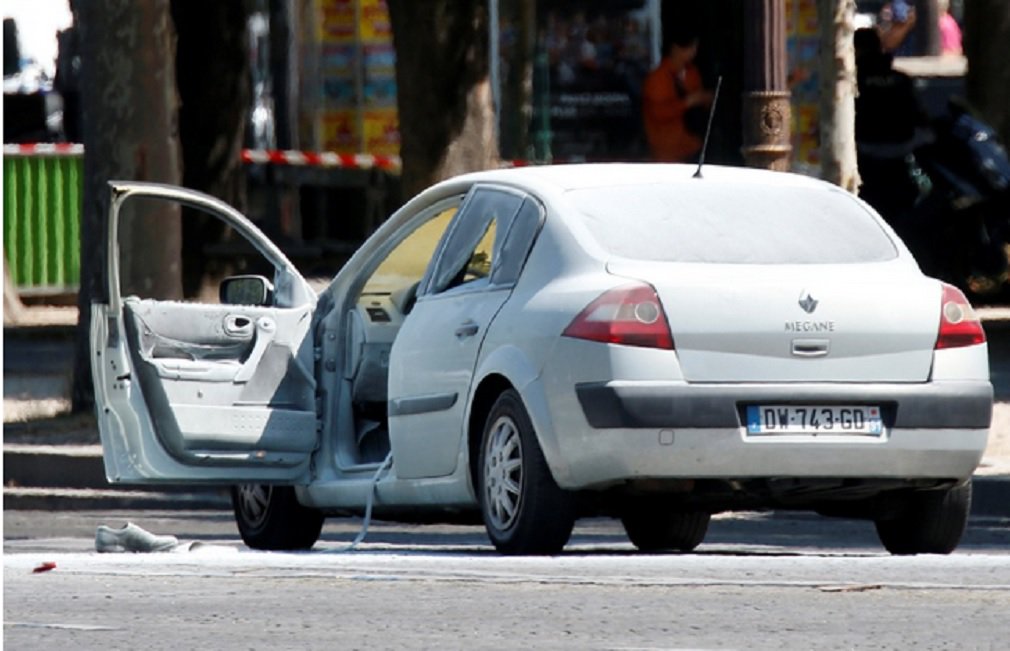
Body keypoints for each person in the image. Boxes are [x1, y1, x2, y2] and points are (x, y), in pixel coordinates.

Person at [853, 27, 930, 228]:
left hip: (866, 156)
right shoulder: (901, 79)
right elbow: (919, 117)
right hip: (901, 154)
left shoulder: (854, 81)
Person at [641, 25, 712, 163]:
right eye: (690, 47)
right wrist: (687, 102)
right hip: (666, 152)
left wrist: (705, 100)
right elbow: (658, 113)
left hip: (693, 146)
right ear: (675, 48)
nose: (693, 52)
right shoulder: (657, 78)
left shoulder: (692, 73)